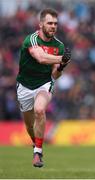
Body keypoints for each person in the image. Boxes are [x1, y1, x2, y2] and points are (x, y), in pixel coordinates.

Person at [16, 8, 71, 168]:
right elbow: (40, 57)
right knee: (28, 125)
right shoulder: (31, 39)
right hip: (24, 86)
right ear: (41, 24)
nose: (53, 26)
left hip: (44, 83)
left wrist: (61, 67)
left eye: (55, 23)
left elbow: (55, 75)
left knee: (39, 110)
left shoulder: (59, 45)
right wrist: (62, 58)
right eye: (50, 23)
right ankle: (36, 143)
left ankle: (38, 152)